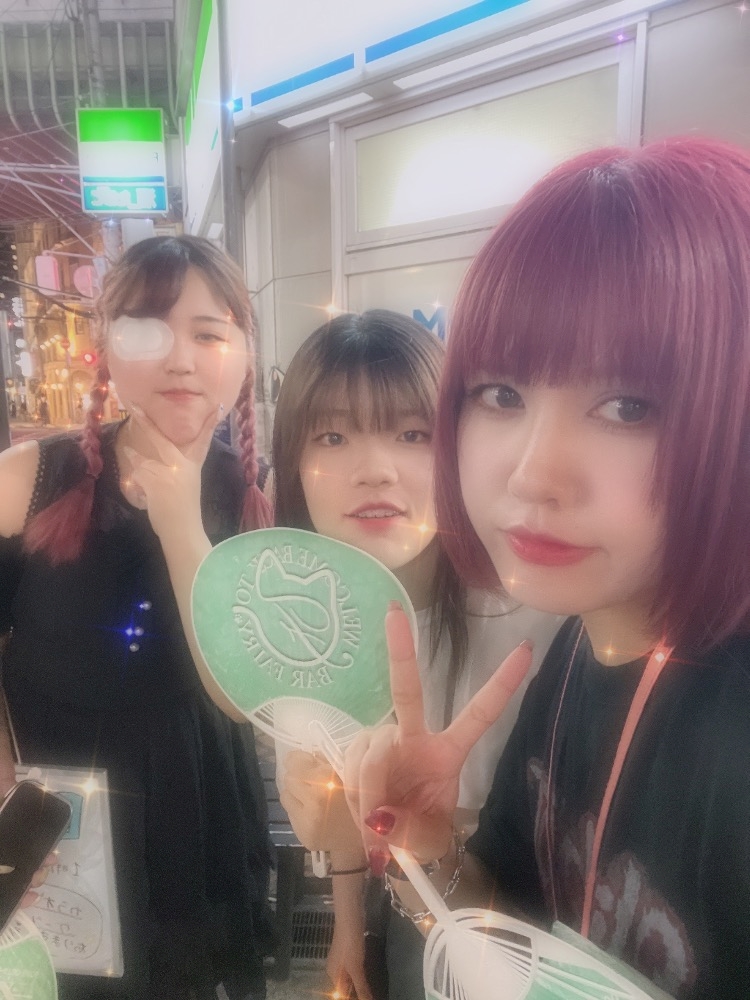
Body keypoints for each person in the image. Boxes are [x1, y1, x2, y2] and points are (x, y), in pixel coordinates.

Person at [341, 137, 750, 1000]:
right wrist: (426, 850)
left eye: (627, 406)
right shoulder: (578, 645)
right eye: (501, 393)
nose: (532, 475)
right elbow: (516, 933)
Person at [0, 235, 274, 1000]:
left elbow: (240, 692)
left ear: (244, 356)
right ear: (107, 348)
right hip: (55, 801)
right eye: (149, 331)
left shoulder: (256, 498)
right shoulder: (29, 480)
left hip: (198, 804)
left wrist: (181, 520)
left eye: (210, 334)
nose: (181, 359)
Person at [271, 310, 561, 999]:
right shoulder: (297, 627)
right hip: (406, 915)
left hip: (530, 930)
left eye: (411, 434)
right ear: (293, 466)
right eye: (332, 436)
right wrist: (347, 925)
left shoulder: (536, 612)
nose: (373, 470)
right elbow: (345, 811)